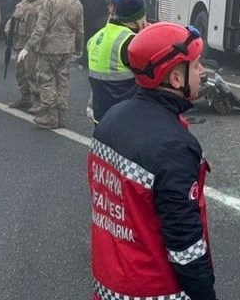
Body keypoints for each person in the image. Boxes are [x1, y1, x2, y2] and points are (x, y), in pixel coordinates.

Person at [88, 21, 216, 300]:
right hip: (155, 289)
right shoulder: (174, 145)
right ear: (176, 79)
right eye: (196, 65)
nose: (202, 72)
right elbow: (185, 244)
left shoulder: (112, 118)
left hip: (109, 281)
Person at [21, 0, 83, 129]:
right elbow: (80, 29)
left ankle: (51, 116)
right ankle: (61, 115)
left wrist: (29, 46)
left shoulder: (50, 1)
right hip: (67, 48)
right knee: (62, 80)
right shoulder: (77, 3)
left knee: (46, 80)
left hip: (49, 48)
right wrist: (79, 48)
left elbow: (40, 27)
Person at [86, 0, 147, 123]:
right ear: (138, 18)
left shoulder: (96, 37)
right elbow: (149, 77)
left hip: (100, 114)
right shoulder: (131, 42)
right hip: (123, 117)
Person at [6, 0, 44, 110]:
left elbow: (41, 27)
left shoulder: (42, 6)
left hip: (32, 45)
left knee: (32, 73)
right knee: (20, 73)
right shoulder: (22, 4)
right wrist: (8, 31)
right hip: (19, 43)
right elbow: (12, 20)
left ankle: (38, 101)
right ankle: (25, 98)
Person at [75, 0, 109, 69]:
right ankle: (85, 61)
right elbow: (77, 3)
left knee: (99, 42)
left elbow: (107, 2)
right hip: (86, 20)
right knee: (86, 41)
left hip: (100, 20)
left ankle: (98, 61)